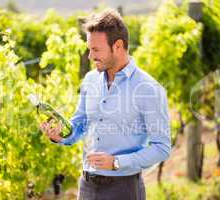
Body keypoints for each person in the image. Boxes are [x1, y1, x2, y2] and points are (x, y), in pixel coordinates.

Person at [40, 8, 171, 200]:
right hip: (87, 185)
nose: (90, 56)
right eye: (88, 49)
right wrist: (61, 135)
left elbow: (162, 147)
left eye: (95, 50)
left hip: (123, 189)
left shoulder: (148, 88)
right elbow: (80, 124)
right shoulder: (90, 80)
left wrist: (117, 162)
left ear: (117, 46)